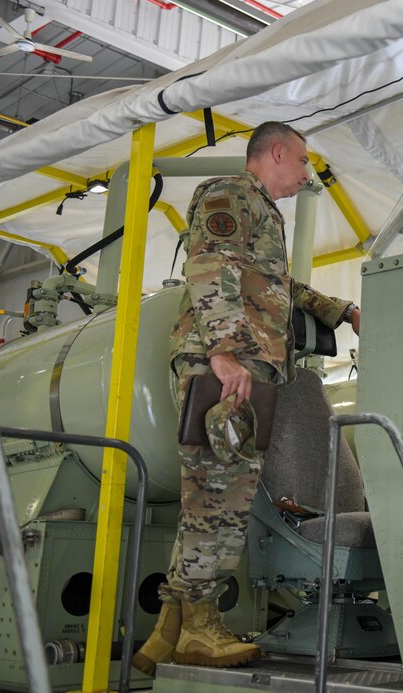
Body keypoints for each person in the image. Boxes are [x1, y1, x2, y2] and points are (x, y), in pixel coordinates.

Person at [132, 121, 361, 674]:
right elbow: (210, 267)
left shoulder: (262, 213)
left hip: (246, 367)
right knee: (222, 498)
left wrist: (343, 311)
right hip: (229, 367)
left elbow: (277, 286)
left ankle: (169, 631)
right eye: (302, 162)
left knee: (208, 497)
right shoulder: (230, 195)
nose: (305, 174)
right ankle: (200, 632)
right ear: (276, 152)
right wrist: (226, 352)